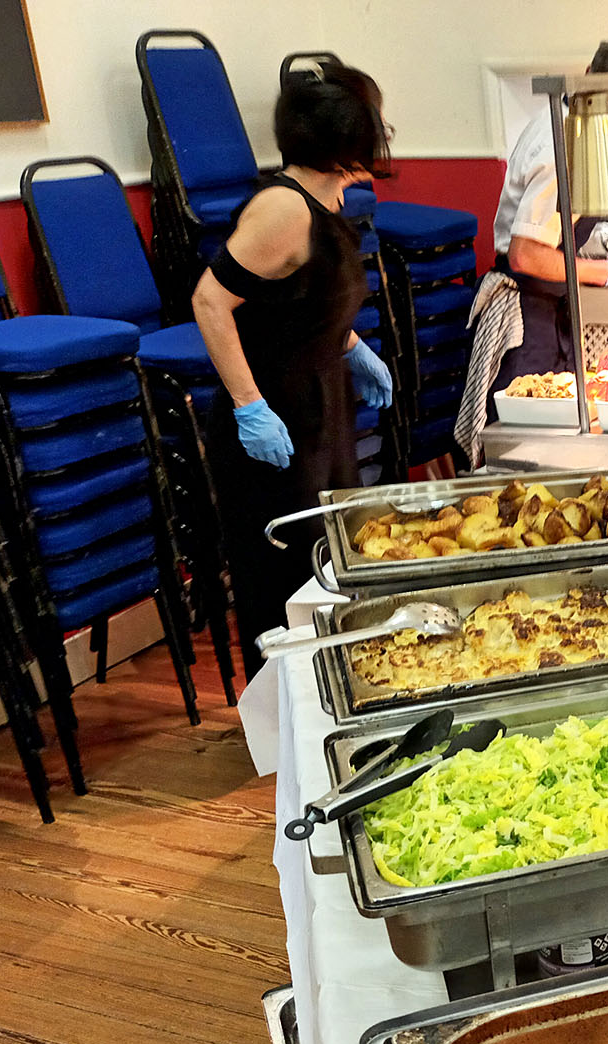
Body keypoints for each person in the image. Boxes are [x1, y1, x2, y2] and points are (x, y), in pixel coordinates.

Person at [193, 64, 395, 677]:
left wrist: (350, 343)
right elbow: (210, 301)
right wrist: (249, 405)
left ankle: (332, 698)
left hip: (320, 406)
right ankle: (287, 726)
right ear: (344, 146)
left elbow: (300, 297)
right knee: (284, 580)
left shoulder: (324, 201)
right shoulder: (283, 209)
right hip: (275, 419)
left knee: (330, 565)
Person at [455, 35, 608, 462]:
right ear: (587, 81)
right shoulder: (556, 143)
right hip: (526, 320)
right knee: (528, 454)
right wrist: (606, 273)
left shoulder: (582, 131)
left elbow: (556, 226)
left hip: (552, 312)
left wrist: (595, 236)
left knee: (562, 447)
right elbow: (526, 254)